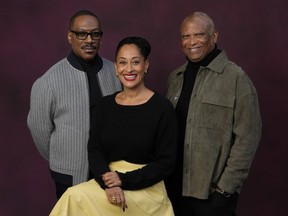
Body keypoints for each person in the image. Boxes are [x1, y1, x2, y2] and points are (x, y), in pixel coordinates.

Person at [49, 36, 178, 216]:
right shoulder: (104, 106)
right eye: (122, 63)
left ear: (146, 65)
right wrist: (107, 183)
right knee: (73, 196)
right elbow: (95, 150)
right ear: (116, 68)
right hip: (107, 180)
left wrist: (121, 180)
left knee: (79, 197)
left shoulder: (162, 108)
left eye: (135, 62)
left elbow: (166, 162)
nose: (129, 69)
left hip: (146, 188)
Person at [165, 12, 262, 216]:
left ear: (214, 36)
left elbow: (248, 138)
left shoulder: (237, 79)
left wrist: (225, 190)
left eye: (199, 34)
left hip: (212, 197)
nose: (191, 42)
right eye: (185, 36)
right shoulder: (175, 78)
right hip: (172, 192)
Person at [27, 10, 122, 199]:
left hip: (112, 172)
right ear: (70, 36)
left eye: (95, 34)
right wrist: (64, 155)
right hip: (70, 174)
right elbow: (39, 130)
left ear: (101, 38)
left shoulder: (116, 72)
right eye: (81, 34)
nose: (89, 40)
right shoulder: (48, 81)